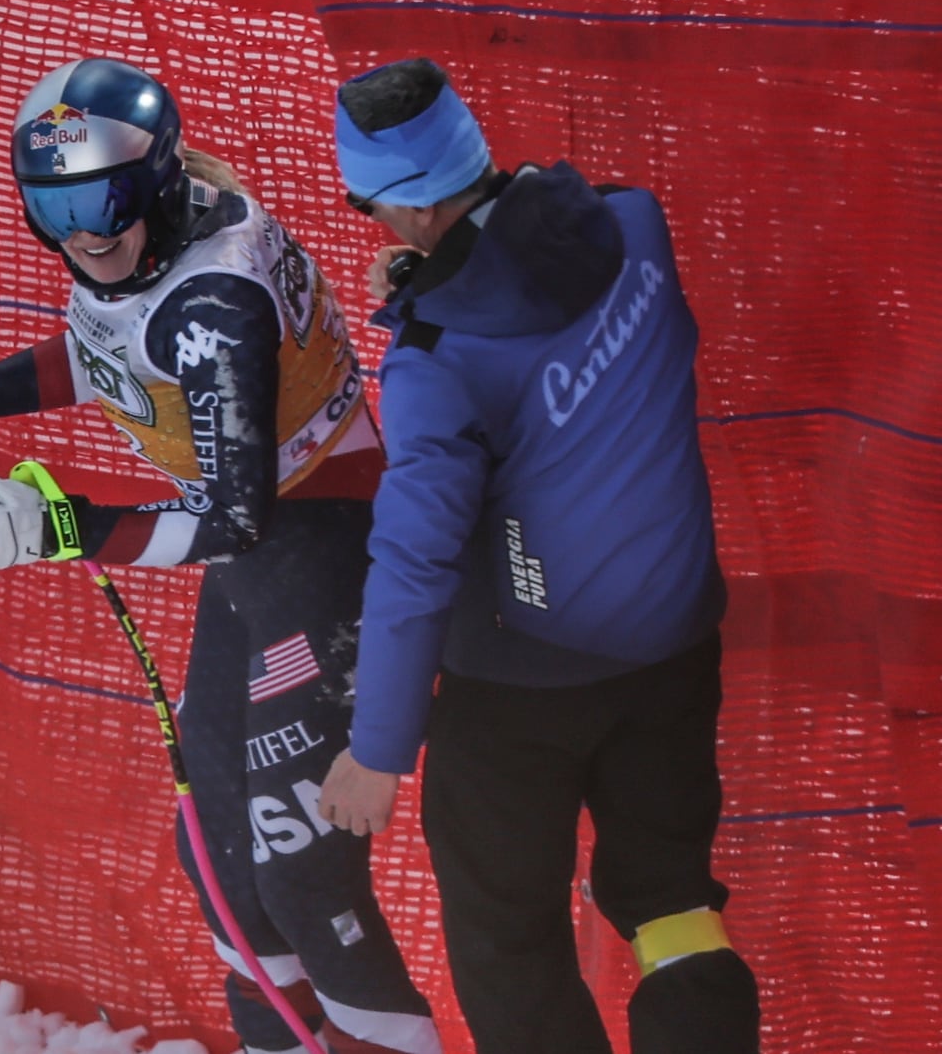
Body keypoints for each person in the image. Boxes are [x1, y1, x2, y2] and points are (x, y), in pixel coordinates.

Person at [0, 57, 441, 1054]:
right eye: (52, 207)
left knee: (298, 870)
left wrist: (59, 527)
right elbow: (112, 345)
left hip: (323, 559)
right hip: (270, 564)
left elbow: (234, 512)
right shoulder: (159, 240)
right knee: (215, 851)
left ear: (157, 180)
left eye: (105, 199)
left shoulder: (215, 306)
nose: (84, 231)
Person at [316, 57, 762, 1054]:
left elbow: (416, 556)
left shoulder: (439, 363)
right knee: (672, 905)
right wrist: (436, 277)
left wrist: (379, 747)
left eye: (368, 207)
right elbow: (541, 275)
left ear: (408, 211)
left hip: (515, 691)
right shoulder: (637, 225)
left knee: (507, 938)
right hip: (673, 650)